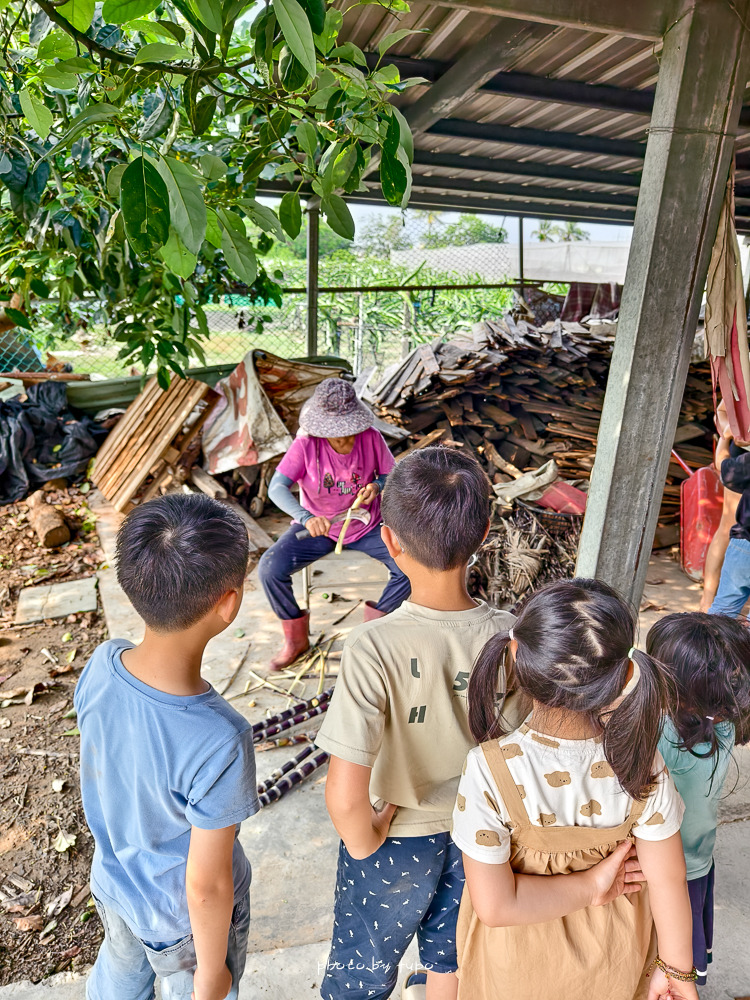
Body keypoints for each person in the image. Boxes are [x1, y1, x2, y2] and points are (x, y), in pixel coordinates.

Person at [316, 447, 528, 1000]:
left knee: (363, 972)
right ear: (484, 533)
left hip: (396, 844)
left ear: (388, 541)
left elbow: (344, 795)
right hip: (482, 837)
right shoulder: (512, 636)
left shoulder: (372, 646)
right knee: (451, 960)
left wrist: (365, 843)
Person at [452, 578, 696, 1000]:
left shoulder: (489, 770)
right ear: (623, 677)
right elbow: (670, 880)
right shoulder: (640, 762)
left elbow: (495, 907)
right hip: (613, 963)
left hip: (516, 971)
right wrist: (677, 972)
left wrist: (590, 886)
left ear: (514, 655)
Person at [75, 494, 259, 1000]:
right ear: (229, 603)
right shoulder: (222, 738)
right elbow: (207, 885)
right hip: (182, 927)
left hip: (115, 884)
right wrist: (211, 975)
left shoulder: (102, 662)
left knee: (119, 971)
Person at [259, 377, 410, 670]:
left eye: (351, 432)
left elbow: (391, 474)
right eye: (338, 435)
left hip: (366, 525)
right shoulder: (305, 444)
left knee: (409, 564)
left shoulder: (371, 436)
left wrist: (377, 486)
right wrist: (306, 517)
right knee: (269, 569)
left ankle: (371, 635)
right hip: (320, 528)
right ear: (322, 430)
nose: (347, 440)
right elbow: (276, 487)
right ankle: (295, 640)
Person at [648, 612, 750, 986]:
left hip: (659, 869)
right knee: (684, 952)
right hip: (697, 859)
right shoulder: (723, 724)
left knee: (656, 953)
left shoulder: (659, 733)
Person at [707, 408, 750, 615]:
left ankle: (709, 642)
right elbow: (721, 411)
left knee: (722, 612)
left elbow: (723, 468)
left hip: (744, 544)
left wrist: (725, 438)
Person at [700, 400, 741, 612]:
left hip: (737, 458)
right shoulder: (745, 377)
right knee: (728, 526)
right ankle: (707, 601)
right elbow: (721, 412)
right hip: (743, 455)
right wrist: (727, 434)